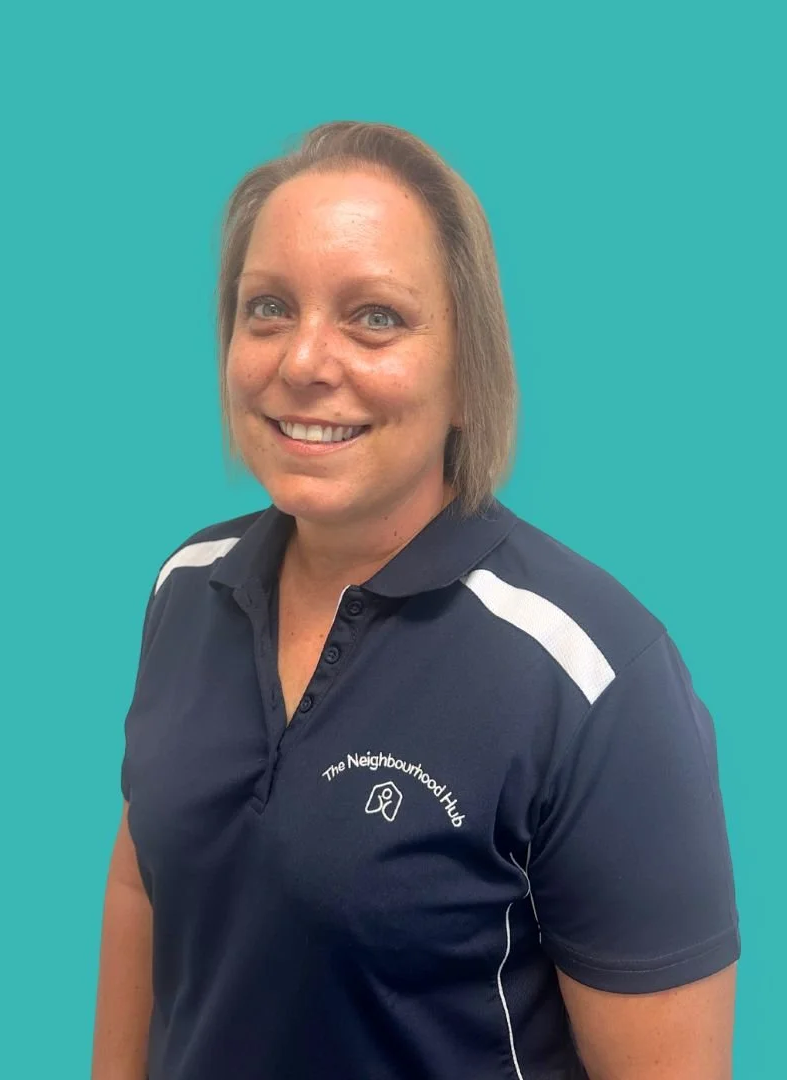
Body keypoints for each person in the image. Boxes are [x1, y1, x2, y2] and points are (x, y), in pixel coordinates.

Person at [92, 120, 740, 1080]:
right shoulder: (186, 588)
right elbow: (145, 881)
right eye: (268, 308)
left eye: (375, 317)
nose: (304, 361)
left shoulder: (594, 679)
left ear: (469, 375)